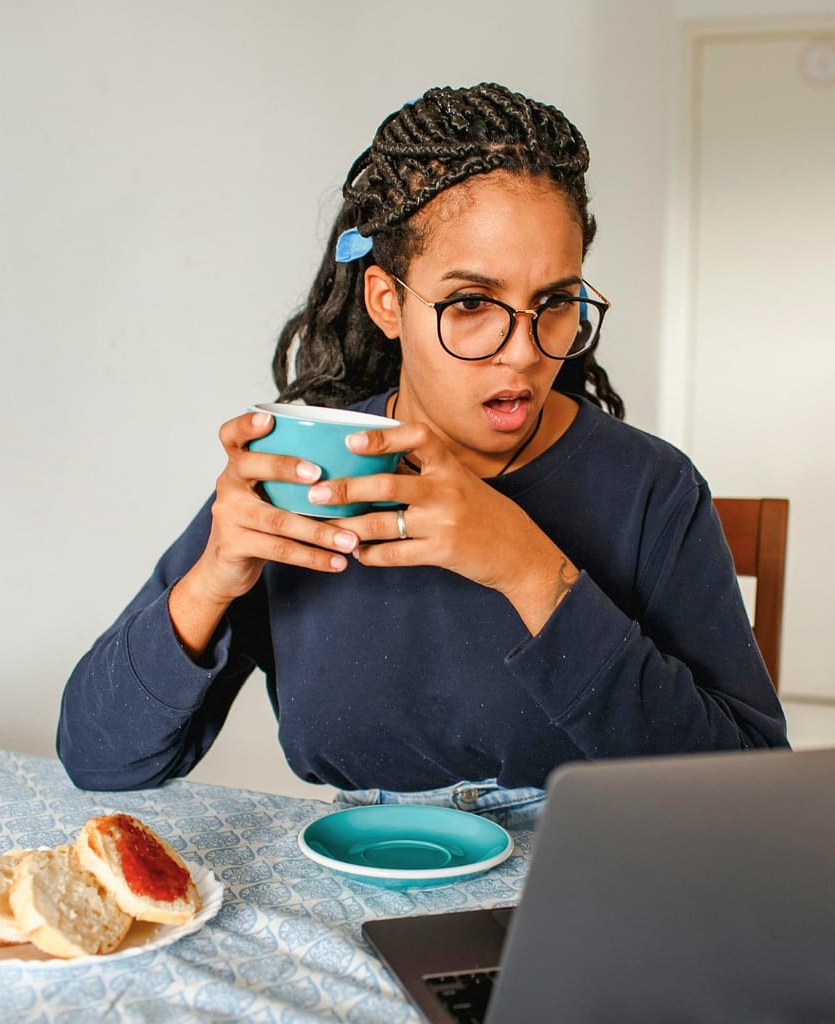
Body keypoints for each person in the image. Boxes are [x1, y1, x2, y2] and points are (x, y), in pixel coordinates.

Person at [57, 83, 788, 824]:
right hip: (354, 863)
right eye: (471, 304)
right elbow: (96, 758)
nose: (523, 353)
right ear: (386, 302)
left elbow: (748, 798)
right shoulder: (308, 474)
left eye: (555, 304)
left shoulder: (651, 488)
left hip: (582, 853)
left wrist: (529, 568)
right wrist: (213, 578)